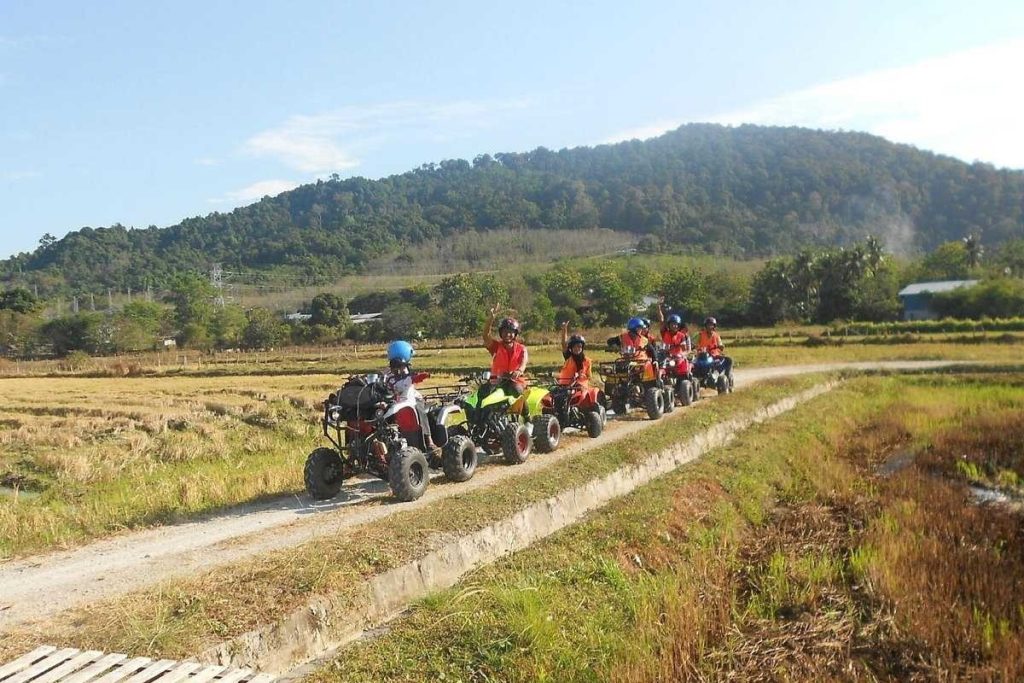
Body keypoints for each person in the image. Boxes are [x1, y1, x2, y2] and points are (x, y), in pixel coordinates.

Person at [384, 339, 436, 452]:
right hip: (396, 402)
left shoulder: (406, 373)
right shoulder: (388, 375)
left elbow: (414, 378)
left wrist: (425, 375)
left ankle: (429, 440)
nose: (398, 370)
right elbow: (384, 384)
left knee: (419, 409)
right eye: (396, 368)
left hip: (412, 400)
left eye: (401, 367)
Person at [482, 304, 529, 395]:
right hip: (497, 382)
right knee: (482, 391)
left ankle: (517, 409)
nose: (507, 334)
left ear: (515, 334)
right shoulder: (496, 347)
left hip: (515, 382)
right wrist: (490, 319)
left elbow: (523, 363)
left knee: (515, 391)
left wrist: (518, 371)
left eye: (510, 332)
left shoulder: (522, 349)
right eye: (505, 332)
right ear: (501, 333)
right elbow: (485, 336)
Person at [558, 321, 592, 387]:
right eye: (575, 346)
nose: (577, 348)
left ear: (582, 348)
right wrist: (564, 330)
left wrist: (582, 376)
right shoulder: (569, 357)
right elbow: (564, 344)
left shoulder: (587, 361)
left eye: (579, 346)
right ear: (571, 348)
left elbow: (589, 377)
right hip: (565, 386)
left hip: (580, 387)